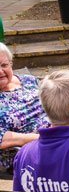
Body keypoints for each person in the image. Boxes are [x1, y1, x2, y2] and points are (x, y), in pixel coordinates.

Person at [0, 42, 49, 173]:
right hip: (24, 153)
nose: (1, 71)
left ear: (11, 64)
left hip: (55, 138)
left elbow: (53, 105)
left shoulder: (29, 81)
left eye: (4, 65)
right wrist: (46, 138)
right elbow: (3, 139)